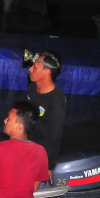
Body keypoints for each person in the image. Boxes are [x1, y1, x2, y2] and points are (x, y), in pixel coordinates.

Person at [25, 49, 67, 181]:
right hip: (27, 146)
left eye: (35, 67)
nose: (30, 69)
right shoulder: (32, 87)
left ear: (47, 72)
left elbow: (55, 135)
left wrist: (49, 165)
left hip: (41, 153)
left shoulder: (57, 100)